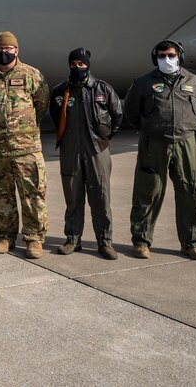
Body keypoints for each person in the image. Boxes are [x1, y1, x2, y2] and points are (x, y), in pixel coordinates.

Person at [123, 40, 196, 260]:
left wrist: (187, 128)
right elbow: (132, 112)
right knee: (148, 191)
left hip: (185, 142)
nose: (167, 59)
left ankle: (192, 243)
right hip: (153, 143)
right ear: (156, 59)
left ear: (180, 56)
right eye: (162, 56)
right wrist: (150, 130)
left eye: (171, 55)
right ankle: (141, 241)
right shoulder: (143, 83)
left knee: (191, 191)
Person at [0, 31, 50, 259]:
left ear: (17, 50)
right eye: (0, 49)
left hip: (27, 149)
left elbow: (41, 106)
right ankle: (6, 236)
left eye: (8, 49)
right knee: (1, 196)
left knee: (33, 195)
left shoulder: (32, 75)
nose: (4, 52)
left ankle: (34, 239)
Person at [48, 48, 123, 259]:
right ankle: (72, 239)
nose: (77, 67)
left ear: (88, 65)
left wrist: (104, 140)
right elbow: (55, 117)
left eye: (81, 64)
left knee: (101, 196)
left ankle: (105, 242)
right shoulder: (61, 91)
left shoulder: (103, 89)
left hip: (97, 150)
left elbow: (117, 116)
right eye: (73, 64)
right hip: (70, 150)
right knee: (73, 197)